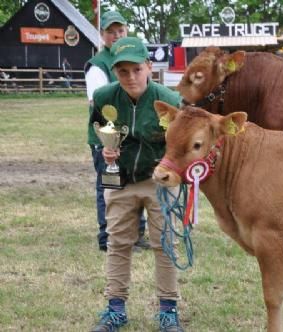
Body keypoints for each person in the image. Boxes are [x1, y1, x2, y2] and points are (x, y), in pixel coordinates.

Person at [89, 37, 184, 332]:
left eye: (136, 69)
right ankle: (115, 309)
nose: (130, 77)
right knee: (117, 243)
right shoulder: (105, 96)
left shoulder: (169, 100)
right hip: (121, 180)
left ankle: (168, 311)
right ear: (115, 72)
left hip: (159, 181)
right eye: (122, 72)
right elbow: (97, 135)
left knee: (165, 244)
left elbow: (180, 146)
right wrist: (105, 152)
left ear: (149, 67)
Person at [85, 11, 150, 252]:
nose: (116, 35)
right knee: (110, 185)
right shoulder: (98, 66)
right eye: (111, 32)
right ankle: (108, 238)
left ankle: (136, 234)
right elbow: (98, 105)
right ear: (102, 35)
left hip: (132, 135)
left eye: (120, 31)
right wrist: (109, 143)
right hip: (109, 137)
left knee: (136, 182)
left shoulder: (134, 59)